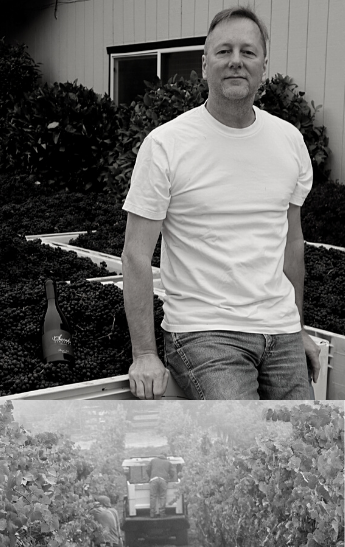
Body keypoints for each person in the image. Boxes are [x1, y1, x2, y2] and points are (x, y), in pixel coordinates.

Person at [122, 6, 320, 400]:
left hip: (280, 328)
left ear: (264, 64)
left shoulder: (289, 141)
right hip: (204, 332)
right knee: (243, 447)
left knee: (304, 447)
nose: (235, 62)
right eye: (223, 51)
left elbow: (291, 242)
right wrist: (144, 353)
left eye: (248, 52)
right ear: (204, 63)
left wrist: (297, 326)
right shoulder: (166, 145)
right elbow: (135, 255)